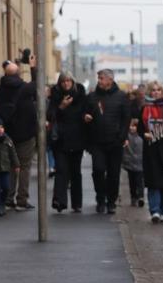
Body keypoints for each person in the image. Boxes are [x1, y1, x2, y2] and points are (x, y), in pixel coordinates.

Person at [0, 56, 38, 211]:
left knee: (10, 165)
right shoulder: (25, 88)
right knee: (24, 166)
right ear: (18, 74)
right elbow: (36, 85)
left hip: (8, 133)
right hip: (26, 133)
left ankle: (8, 198)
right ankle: (22, 199)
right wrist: (33, 68)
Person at [84, 69, 131, 214]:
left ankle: (111, 201)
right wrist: (85, 117)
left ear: (110, 80)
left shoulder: (121, 97)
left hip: (115, 142)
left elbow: (126, 119)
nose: (99, 80)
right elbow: (85, 114)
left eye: (102, 78)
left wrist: (121, 138)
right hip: (97, 142)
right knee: (98, 170)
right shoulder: (92, 96)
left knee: (113, 174)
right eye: (98, 78)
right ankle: (100, 197)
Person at [47, 72, 88, 213]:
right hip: (60, 139)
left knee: (76, 172)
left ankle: (77, 203)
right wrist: (61, 107)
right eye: (63, 81)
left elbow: (85, 112)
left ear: (73, 82)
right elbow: (50, 115)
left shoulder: (80, 94)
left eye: (69, 81)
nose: (66, 84)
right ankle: (60, 201)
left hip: (77, 138)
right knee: (61, 171)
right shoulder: (55, 96)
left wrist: (86, 117)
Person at [139, 81, 163, 222]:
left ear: (162, 92)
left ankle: (162, 211)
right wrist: (144, 134)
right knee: (153, 182)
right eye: (153, 90)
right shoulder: (144, 108)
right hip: (151, 149)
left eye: (158, 90)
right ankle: (154, 210)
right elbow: (140, 128)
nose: (155, 92)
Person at [122, 118, 145, 207]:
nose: (133, 128)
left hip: (140, 162)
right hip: (130, 162)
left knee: (139, 181)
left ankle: (140, 197)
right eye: (131, 126)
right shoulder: (127, 136)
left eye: (135, 126)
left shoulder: (142, 136)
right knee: (132, 181)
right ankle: (133, 196)